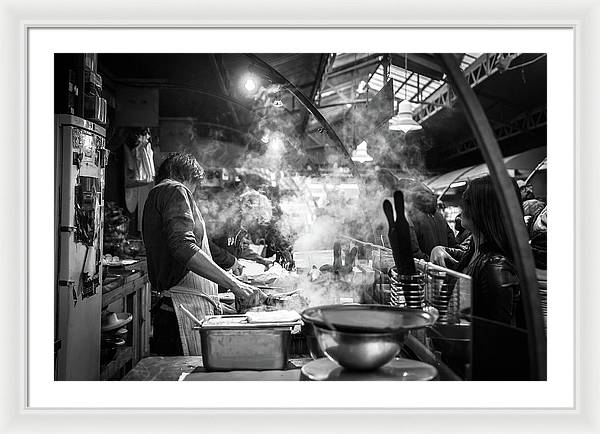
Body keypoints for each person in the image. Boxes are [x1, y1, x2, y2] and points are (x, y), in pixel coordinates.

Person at [142, 153, 265, 355]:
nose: (194, 191)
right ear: (183, 174)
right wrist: (235, 284)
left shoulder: (158, 194)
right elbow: (183, 246)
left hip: (178, 310)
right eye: (195, 184)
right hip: (180, 313)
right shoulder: (174, 189)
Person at [430, 175, 530, 380]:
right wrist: (438, 248)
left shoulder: (496, 266)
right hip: (457, 361)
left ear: (484, 210)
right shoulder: (475, 250)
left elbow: (499, 342)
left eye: (466, 202)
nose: (460, 208)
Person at [405, 182, 456, 260]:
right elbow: (452, 243)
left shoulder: (412, 217)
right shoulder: (440, 216)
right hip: (445, 266)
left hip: (427, 269)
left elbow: (413, 251)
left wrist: (430, 262)